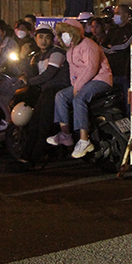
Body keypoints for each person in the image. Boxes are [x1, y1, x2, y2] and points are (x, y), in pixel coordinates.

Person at [46, 19, 113, 159]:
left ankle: (84, 139)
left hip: (100, 80)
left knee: (79, 98)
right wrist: (75, 85)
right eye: (62, 33)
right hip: (84, 83)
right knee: (61, 96)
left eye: (67, 32)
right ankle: (65, 134)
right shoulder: (71, 50)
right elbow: (74, 72)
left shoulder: (88, 45)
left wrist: (77, 87)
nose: (65, 36)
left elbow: (91, 68)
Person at [9, 26, 70, 172]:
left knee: (43, 125)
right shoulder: (37, 56)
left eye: (47, 37)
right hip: (46, 92)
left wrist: (28, 82)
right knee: (34, 124)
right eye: (40, 37)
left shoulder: (57, 52)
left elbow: (49, 74)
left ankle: (33, 158)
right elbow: (31, 74)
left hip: (56, 91)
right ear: (35, 38)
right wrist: (24, 58)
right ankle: (25, 157)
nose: (44, 40)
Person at [103, 5, 132, 102]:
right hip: (111, 71)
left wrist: (111, 48)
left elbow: (124, 46)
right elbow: (102, 45)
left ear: (126, 15)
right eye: (115, 13)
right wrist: (111, 49)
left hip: (124, 72)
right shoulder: (113, 29)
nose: (115, 16)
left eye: (118, 13)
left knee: (127, 100)